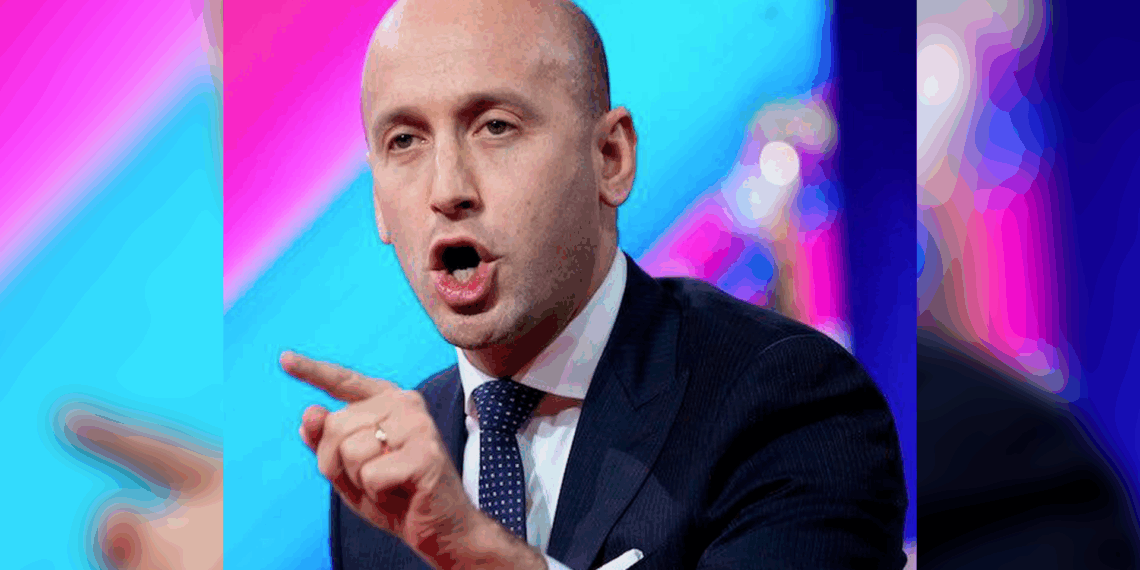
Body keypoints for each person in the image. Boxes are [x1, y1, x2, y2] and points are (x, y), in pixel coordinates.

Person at [281, 0, 907, 568]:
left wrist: (478, 556)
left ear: (610, 158)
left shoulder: (787, 403)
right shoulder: (380, 490)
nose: (447, 189)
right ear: (378, 204)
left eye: (495, 126)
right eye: (405, 141)